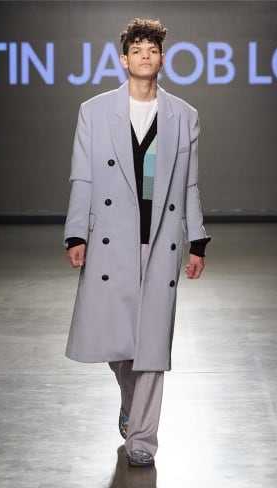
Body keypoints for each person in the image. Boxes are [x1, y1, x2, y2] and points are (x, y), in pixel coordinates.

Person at [63, 18, 210, 467]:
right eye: (137, 50)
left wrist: (197, 240)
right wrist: (76, 232)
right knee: (118, 341)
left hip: (161, 240)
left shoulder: (184, 115)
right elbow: (83, 177)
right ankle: (131, 402)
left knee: (152, 342)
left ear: (162, 59)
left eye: (152, 50)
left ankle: (143, 437)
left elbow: (189, 184)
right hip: (111, 240)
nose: (145, 56)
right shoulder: (94, 111)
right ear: (124, 60)